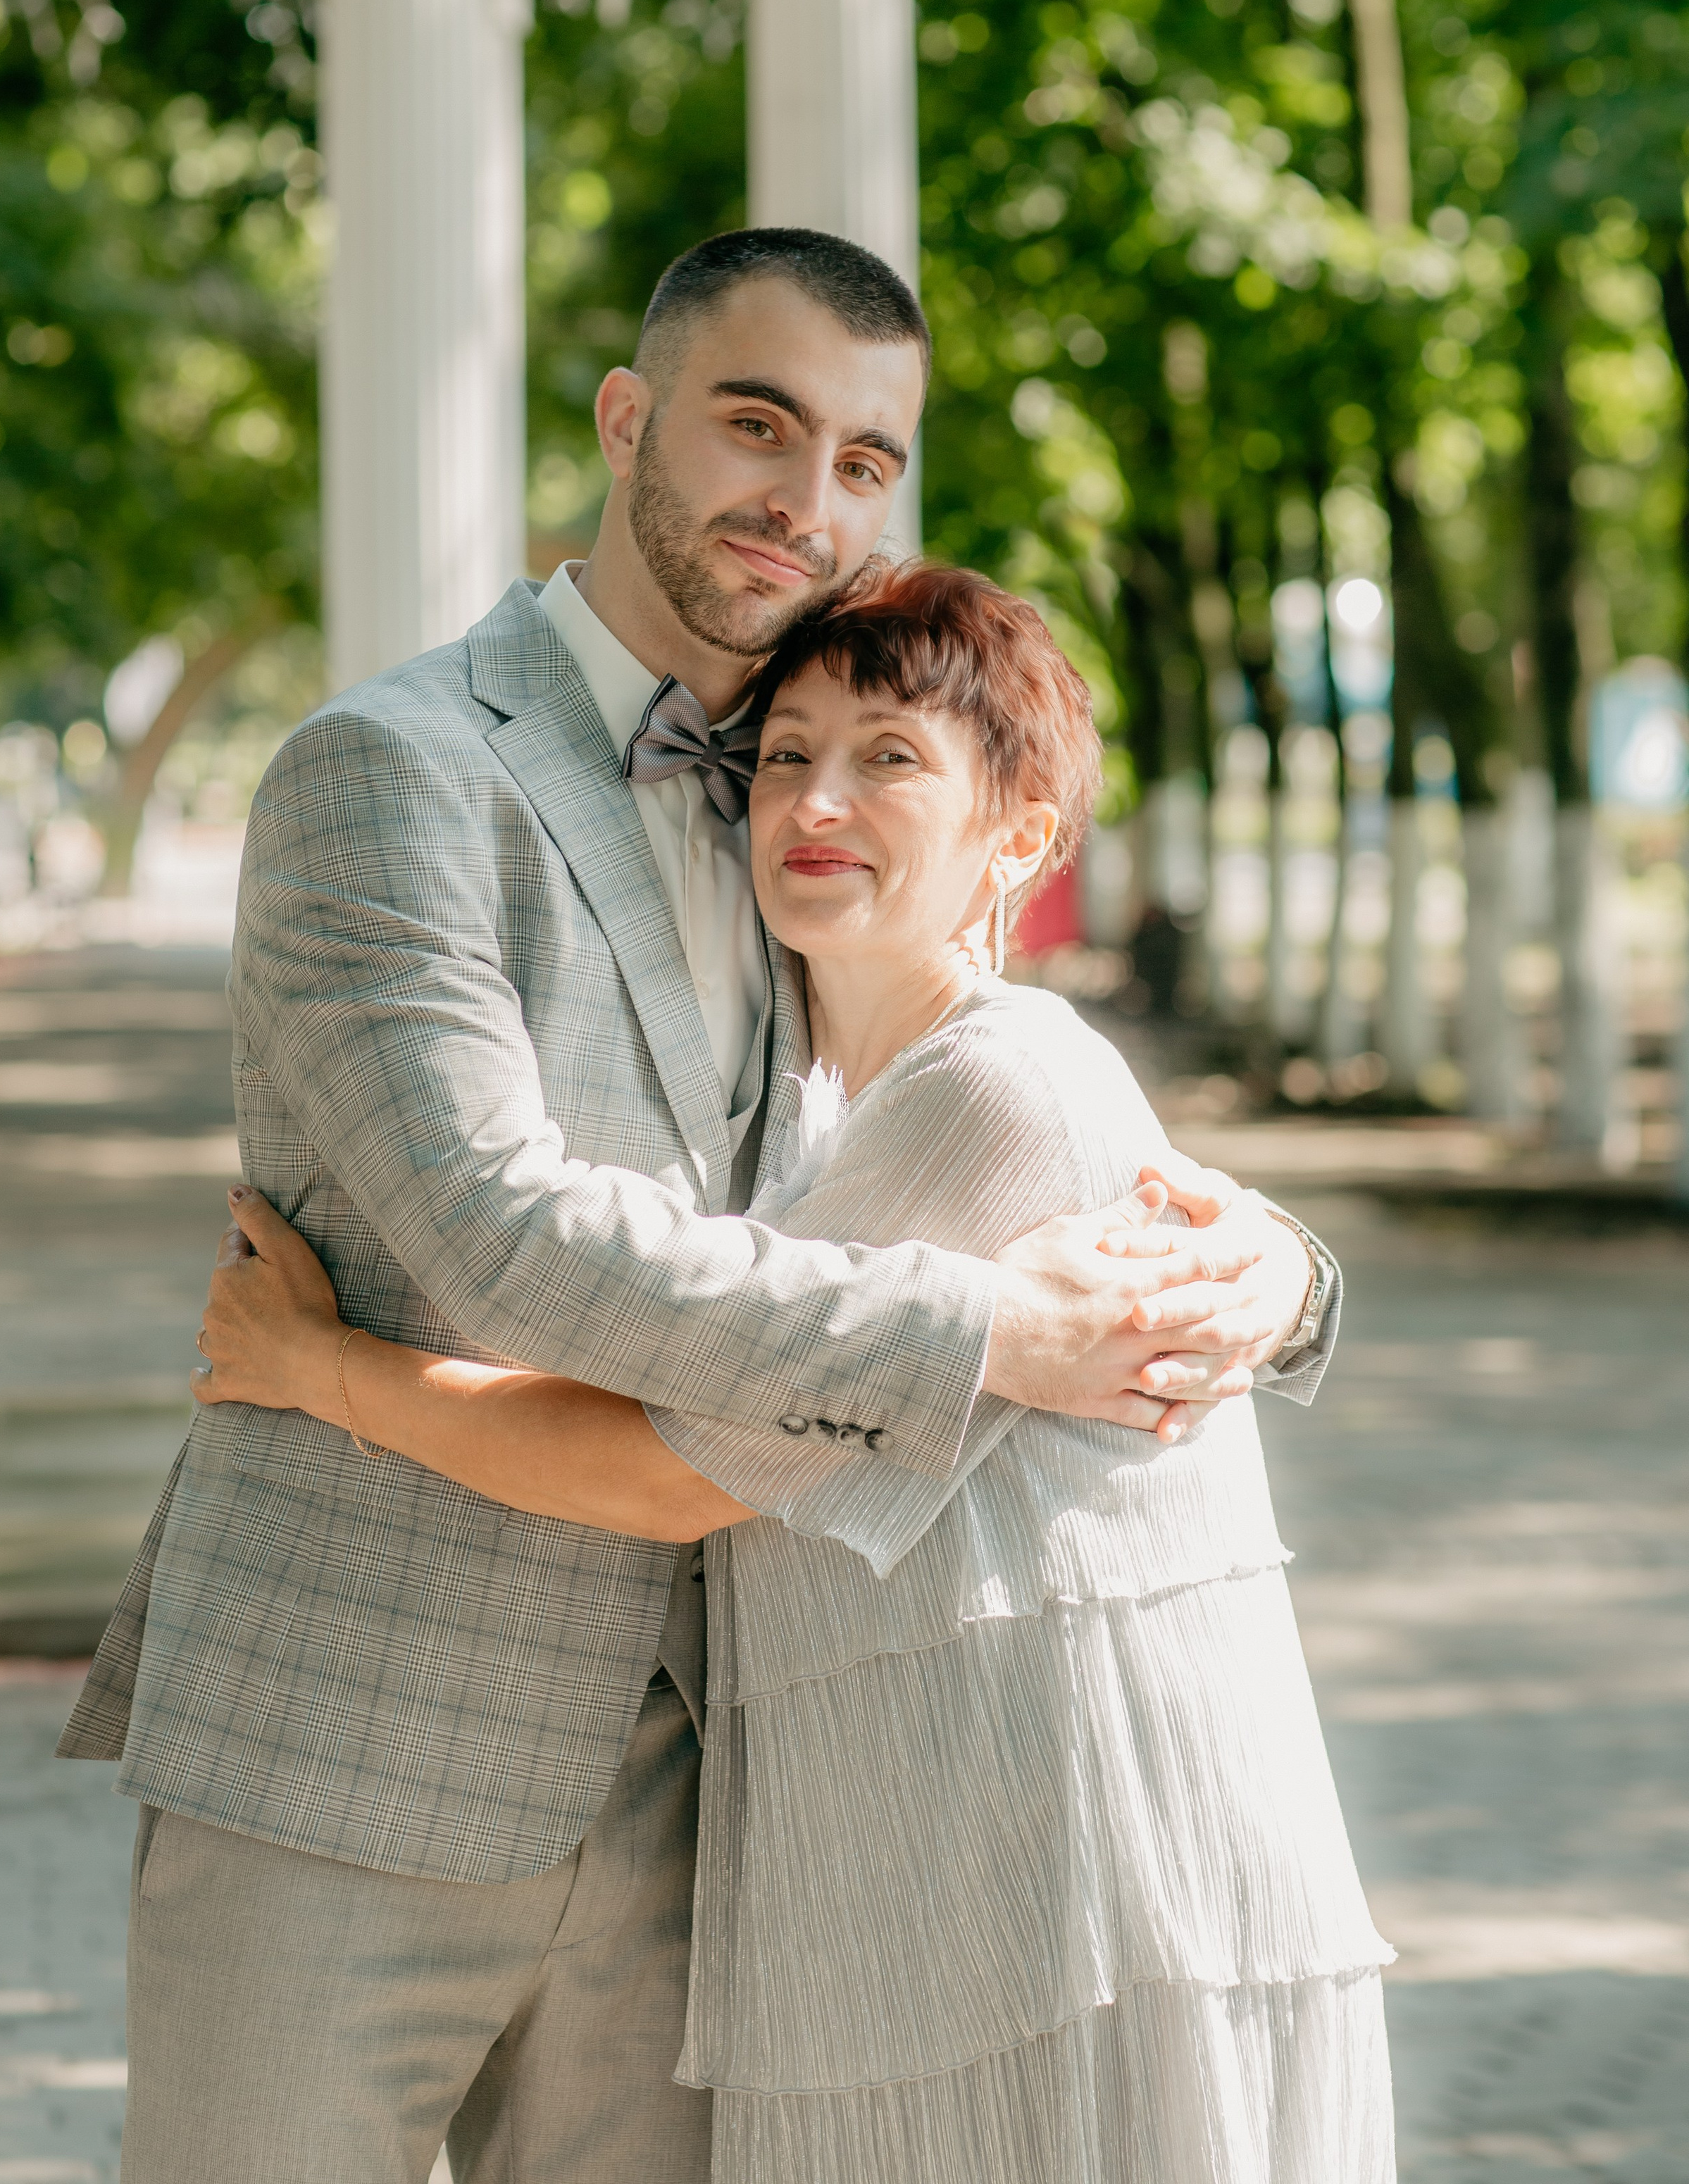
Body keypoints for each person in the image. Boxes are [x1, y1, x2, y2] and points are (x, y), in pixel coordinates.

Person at [66, 227, 1338, 2184]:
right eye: (759, 427)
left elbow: (975, 1098)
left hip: (710, 1790)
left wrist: (1280, 1270)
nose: (806, 499)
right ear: (628, 417)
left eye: (863, 461)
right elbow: (503, 1230)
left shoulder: (810, 795)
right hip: (353, 1729)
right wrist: (995, 1332)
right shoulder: (388, 773)